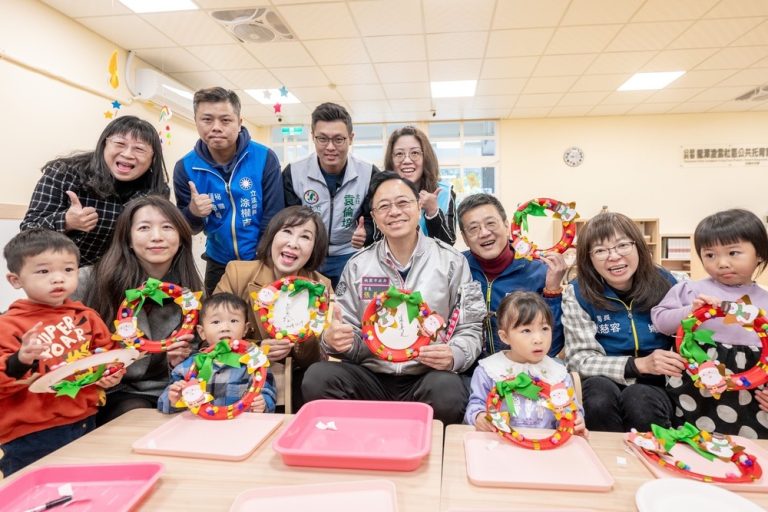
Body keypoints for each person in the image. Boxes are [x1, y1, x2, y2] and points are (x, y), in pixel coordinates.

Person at [302, 171, 485, 425]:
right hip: (372, 375)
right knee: (318, 377)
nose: (394, 212)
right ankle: (358, 439)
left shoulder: (451, 261)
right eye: (384, 206)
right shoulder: (358, 265)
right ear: (374, 217)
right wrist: (335, 341)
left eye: (403, 203)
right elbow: (347, 330)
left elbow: (471, 326)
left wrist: (454, 354)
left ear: (418, 207)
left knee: (449, 390)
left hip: (426, 375)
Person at [0, 229, 124, 476]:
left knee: (81, 484)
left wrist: (112, 374)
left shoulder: (86, 316)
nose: (58, 279)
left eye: (68, 270)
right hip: (32, 433)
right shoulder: (8, 325)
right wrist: (21, 359)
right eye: (43, 271)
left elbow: (110, 354)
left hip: (86, 419)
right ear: (16, 280)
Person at [81, 196, 203, 424]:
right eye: (144, 228)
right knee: (135, 416)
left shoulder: (190, 292)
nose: (157, 236)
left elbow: (197, 353)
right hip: (113, 392)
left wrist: (178, 362)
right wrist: (96, 373)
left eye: (167, 227)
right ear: (128, 238)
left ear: (180, 238)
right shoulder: (90, 281)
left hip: (171, 389)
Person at [652, 209, 768, 439]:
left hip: (751, 389)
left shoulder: (765, 299)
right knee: (692, 440)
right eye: (710, 255)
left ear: (759, 255)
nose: (722, 263)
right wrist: (690, 311)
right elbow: (660, 321)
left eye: (733, 253)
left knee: (747, 444)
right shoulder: (690, 290)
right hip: (696, 384)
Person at [562, 211, 682, 432]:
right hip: (606, 378)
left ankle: (655, 458)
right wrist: (637, 365)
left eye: (622, 246)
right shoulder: (578, 293)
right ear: (588, 258)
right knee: (598, 395)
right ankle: (603, 461)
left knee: (640, 399)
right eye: (600, 251)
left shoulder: (670, 283)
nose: (614, 256)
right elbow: (579, 359)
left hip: (661, 383)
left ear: (638, 247)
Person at [214, 205, 331, 409]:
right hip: (242, 374)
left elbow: (318, 358)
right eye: (286, 231)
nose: (293, 243)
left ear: (314, 248)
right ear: (272, 236)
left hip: (297, 377)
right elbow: (212, 336)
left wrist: (299, 343)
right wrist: (257, 350)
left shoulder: (321, 287)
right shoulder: (237, 274)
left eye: (305, 237)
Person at [173, 87, 284, 295]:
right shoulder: (185, 167)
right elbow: (188, 228)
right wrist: (193, 212)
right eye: (207, 120)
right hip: (218, 262)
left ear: (239, 122)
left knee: (263, 322)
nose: (216, 127)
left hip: (263, 260)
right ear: (196, 120)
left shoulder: (264, 158)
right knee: (219, 322)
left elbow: (274, 216)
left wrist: (261, 257)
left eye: (225, 120)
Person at [21, 116, 169, 266]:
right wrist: (67, 221)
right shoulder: (65, 173)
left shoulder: (156, 190)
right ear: (104, 144)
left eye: (139, 149)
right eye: (119, 143)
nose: (127, 154)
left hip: (120, 277)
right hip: (61, 275)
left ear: (153, 157)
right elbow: (27, 233)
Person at [458, 193, 566, 358]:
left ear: (506, 225)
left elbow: (551, 348)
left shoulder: (538, 271)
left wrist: (553, 291)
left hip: (522, 372)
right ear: (465, 238)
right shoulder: (457, 268)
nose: (484, 233)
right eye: (473, 228)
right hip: (468, 371)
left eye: (491, 223)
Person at [283, 102, 379, 288]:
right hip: (307, 255)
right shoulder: (293, 173)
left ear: (351, 138)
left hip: (349, 255)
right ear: (312, 137)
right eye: (322, 139)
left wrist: (366, 233)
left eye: (338, 139)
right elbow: (286, 220)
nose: (330, 147)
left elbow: (373, 216)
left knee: (347, 311)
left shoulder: (369, 173)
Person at [465, 292, 586, 437]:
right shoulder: (489, 370)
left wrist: (576, 421)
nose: (538, 339)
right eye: (526, 330)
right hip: (499, 443)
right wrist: (479, 416)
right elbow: (475, 404)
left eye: (545, 329)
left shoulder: (558, 374)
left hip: (545, 447)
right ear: (505, 337)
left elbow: (571, 409)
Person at [158, 293, 276, 414]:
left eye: (234, 320)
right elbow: (163, 404)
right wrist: (174, 399)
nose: (225, 327)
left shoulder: (256, 364)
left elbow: (267, 394)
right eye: (216, 322)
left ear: (245, 329)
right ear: (201, 332)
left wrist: (263, 403)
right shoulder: (187, 367)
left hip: (239, 428)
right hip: (198, 428)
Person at [383, 126, 455, 245]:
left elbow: (449, 244)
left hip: (434, 263)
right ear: (391, 160)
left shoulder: (444, 192)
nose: (406, 160)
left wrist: (433, 212)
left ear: (425, 157)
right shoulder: (382, 193)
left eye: (415, 153)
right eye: (399, 154)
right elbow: (377, 241)